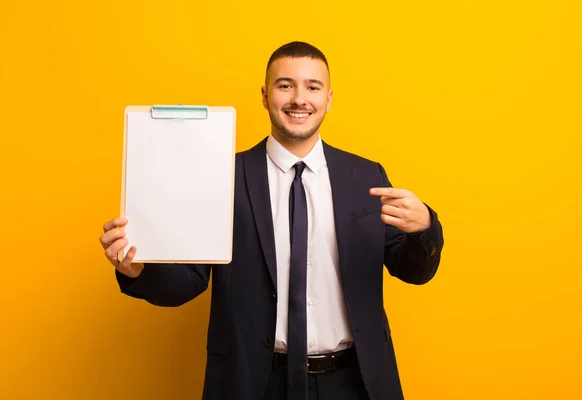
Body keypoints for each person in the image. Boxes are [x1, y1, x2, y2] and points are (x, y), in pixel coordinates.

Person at [99, 41, 444, 400]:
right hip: (253, 383)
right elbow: (188, 281)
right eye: (285, 85)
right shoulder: (224, 177)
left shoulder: (365, 177)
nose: (300, 99)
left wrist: (425, 228)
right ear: (265, 96)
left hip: (354, 382)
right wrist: (138, 270)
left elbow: (413, 271)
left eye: (313, 87)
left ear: (328, 98)